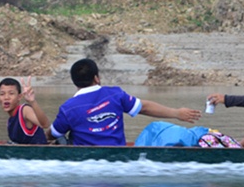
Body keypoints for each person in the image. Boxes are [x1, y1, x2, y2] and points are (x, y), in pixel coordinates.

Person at [50, 58, 202, 146]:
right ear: (96, 78)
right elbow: (145, 107)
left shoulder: (68, 108)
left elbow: (53, 134)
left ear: (74, 82)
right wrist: (177, 113)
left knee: (61, 137)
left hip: (85, 161)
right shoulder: (115, 94)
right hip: (118, 159)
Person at [0, 77, 50, 144]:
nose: (6, 97)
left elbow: (45, 124)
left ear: (19, 97)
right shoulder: (9, 121)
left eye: (11, 93)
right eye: (2, 94)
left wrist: (32, 102)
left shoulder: (24, 110)